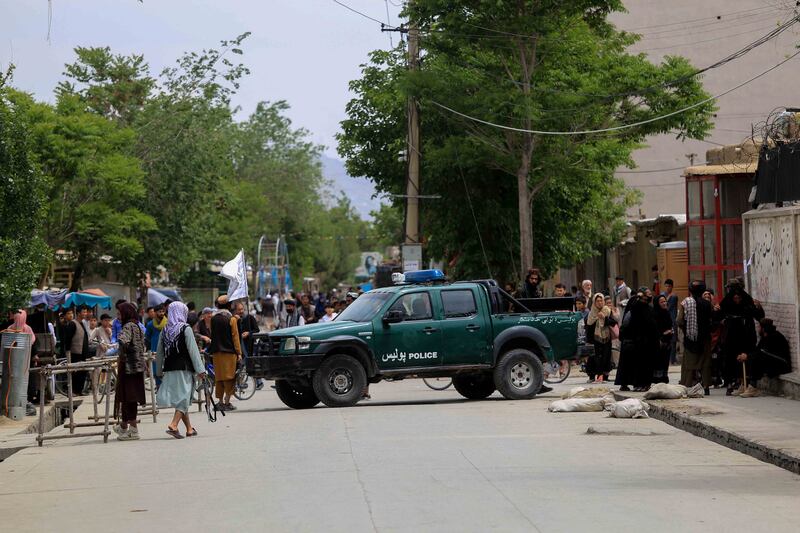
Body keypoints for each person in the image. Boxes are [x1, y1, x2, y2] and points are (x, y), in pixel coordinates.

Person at [156, 301, 206, 438]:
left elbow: (159, 353)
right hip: (184, 369)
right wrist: (201, 370)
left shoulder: (164, 330)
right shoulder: (186, 329)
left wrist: (159, 372)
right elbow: (193, 351)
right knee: (184, 398)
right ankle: (173, 424)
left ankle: (189, 429)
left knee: (181, 399)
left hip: (170, 368)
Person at [719, 284, 764, 396]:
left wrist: (758, 307)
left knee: (747, 358)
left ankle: (748, 384)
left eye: (739, 298)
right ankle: (737, 383)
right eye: (735, 298)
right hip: (732, 336)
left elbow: (759, 316)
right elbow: (717, 317)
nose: (737, 300)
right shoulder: (727, 304)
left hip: (747, 335)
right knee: (732, 359)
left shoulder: (748, 305)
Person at [113, 303, 147, 441]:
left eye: (120, 314)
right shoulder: (137, 325)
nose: (118, 317)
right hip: (138, 367)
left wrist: (122, 355)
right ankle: (124, 427)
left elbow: (123, 341)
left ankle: (133, 430)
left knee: (127, 399)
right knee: (130, 399)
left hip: (128, 369)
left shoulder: (128, 326)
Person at [735, 318, 792, 397]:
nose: (758, 329)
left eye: (759, 327)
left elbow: (763, 353)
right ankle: (745, 385)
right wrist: (745, 356)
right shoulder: (765, 337)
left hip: (781, 364)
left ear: (763, 328)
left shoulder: (774, 336)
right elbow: (758, 351)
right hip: (772, 360)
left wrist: (748, 356)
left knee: (756, 360)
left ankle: (753, 387)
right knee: (745, 358)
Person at [615, 290, 658, 392]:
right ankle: (638, 384)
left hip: (639, 342)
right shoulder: (634, 312)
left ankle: (639, 384)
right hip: (634, 343)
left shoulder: (643, 311)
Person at [677, 280, 713, 394]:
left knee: (689, 362)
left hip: (690, 338)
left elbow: (679, 320)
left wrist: (686, 330)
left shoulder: (686, 303)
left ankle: (687, 385)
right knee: (705, 362)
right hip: (705, 338)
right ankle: (706, 386)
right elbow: (712, 319)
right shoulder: (708, 304)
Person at [210, 295, 242, 411]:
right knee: (230, 378)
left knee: (219, 378)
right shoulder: (232, 319)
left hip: (216, 353)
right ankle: (227, 402)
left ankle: (220, 402)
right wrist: (239, 353)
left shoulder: (213, 319)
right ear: (229, 306)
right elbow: (235, 337)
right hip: (229, 353)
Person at [3, 310, 37, 416]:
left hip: (26, 360)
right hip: (12, 362)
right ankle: (11, 405)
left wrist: (33, 355)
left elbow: (32, 342)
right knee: (12, 381)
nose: (19, 321)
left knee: (26, 381)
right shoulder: (9, 329)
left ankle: (25, 402)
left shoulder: (28, 329)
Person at [62, 306, 91, 395]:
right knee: (76, 373)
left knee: (82, 372)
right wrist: (67, 352)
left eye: (86, 312)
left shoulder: (83, 323)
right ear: (78, 313)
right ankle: (74, 391)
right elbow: (68, 339)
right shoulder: (73, 324)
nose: (85, 314)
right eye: (83, 312)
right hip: (75, 352)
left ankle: (79, 390)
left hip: (83, 352)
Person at [586, 294, 614, 383]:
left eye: (601, 300)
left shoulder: (607, 310)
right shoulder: (591, 313)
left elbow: (613, 322)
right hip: (594, 339)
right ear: (594, 302)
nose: (599, 303)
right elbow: (589, 325)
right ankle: (592, 376)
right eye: (597, 301)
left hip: (606, 338)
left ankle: (605, 376)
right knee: (594, 358)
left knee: (606, 357)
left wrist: (604, 319)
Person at [652, 294, 674, 384]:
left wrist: (671, 331)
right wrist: (663, 333)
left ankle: (664, 378)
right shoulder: (654, 314)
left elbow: (670, 325)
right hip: (659, 342)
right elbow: (654, 328)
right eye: (662, 302)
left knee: (665, 361)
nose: (664, 303)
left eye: (665, 301)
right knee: (659, 362)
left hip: (667, 342)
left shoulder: (667, 313)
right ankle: (657, 380)